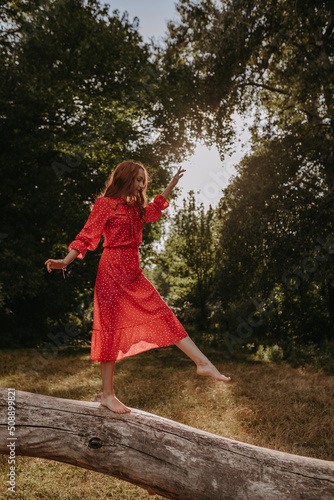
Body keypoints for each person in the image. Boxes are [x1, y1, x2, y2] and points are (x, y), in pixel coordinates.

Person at [44, 161, 231, 414]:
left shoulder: (136, 209)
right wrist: (65, 261)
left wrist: (170, 186)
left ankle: (202, 363)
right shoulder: (105, 205)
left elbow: (153, 210)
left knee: (162, 312)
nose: (142, 185)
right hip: (111, 270)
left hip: (133, 271)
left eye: (144, 180)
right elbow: (88, 235)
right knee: (109, 329)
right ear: (125, 178)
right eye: (138, 179)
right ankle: (108, 395)